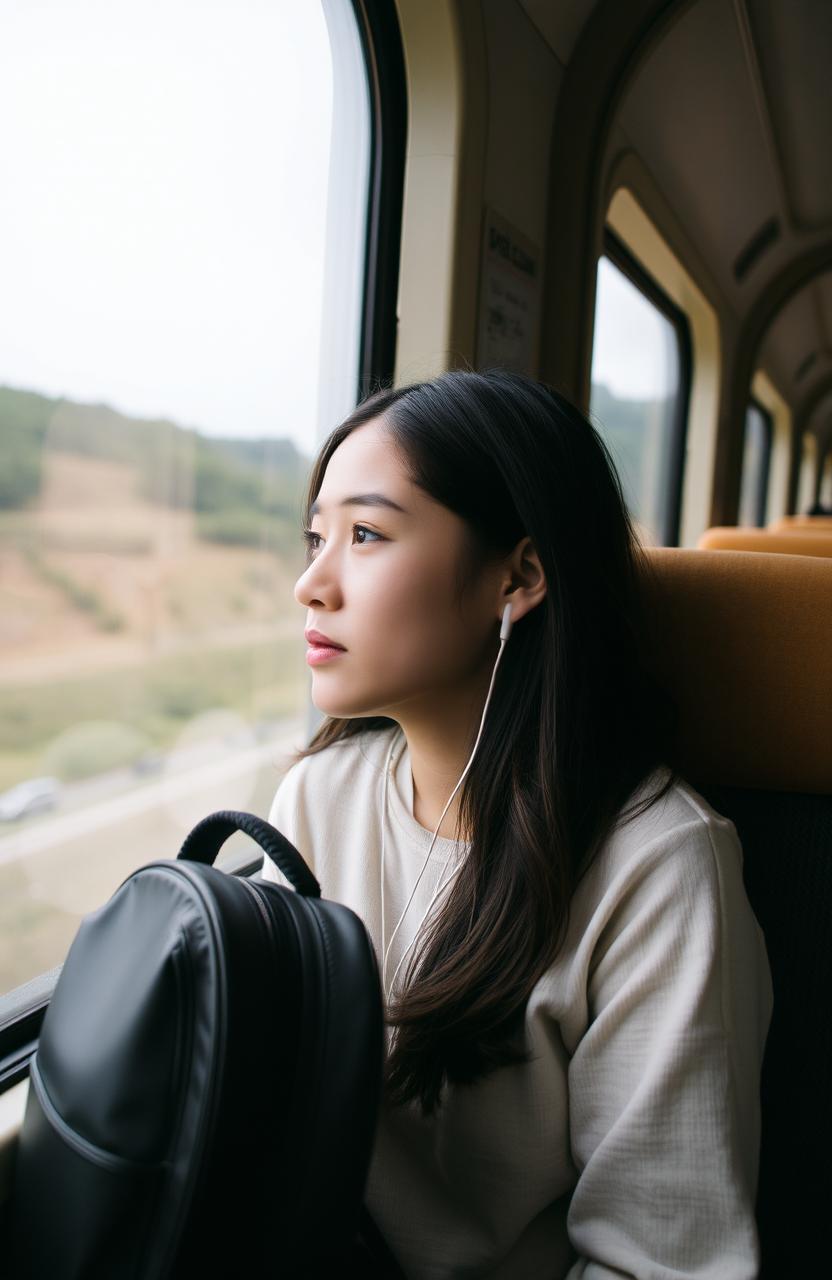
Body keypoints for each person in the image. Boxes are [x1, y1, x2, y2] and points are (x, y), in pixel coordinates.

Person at [261, 369, 772, 1279]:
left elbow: (657, 1259)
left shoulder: (658, 869)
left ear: (519, 576)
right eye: (315, 537)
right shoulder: (314, 801)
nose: (311, 584)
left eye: (367, 535)